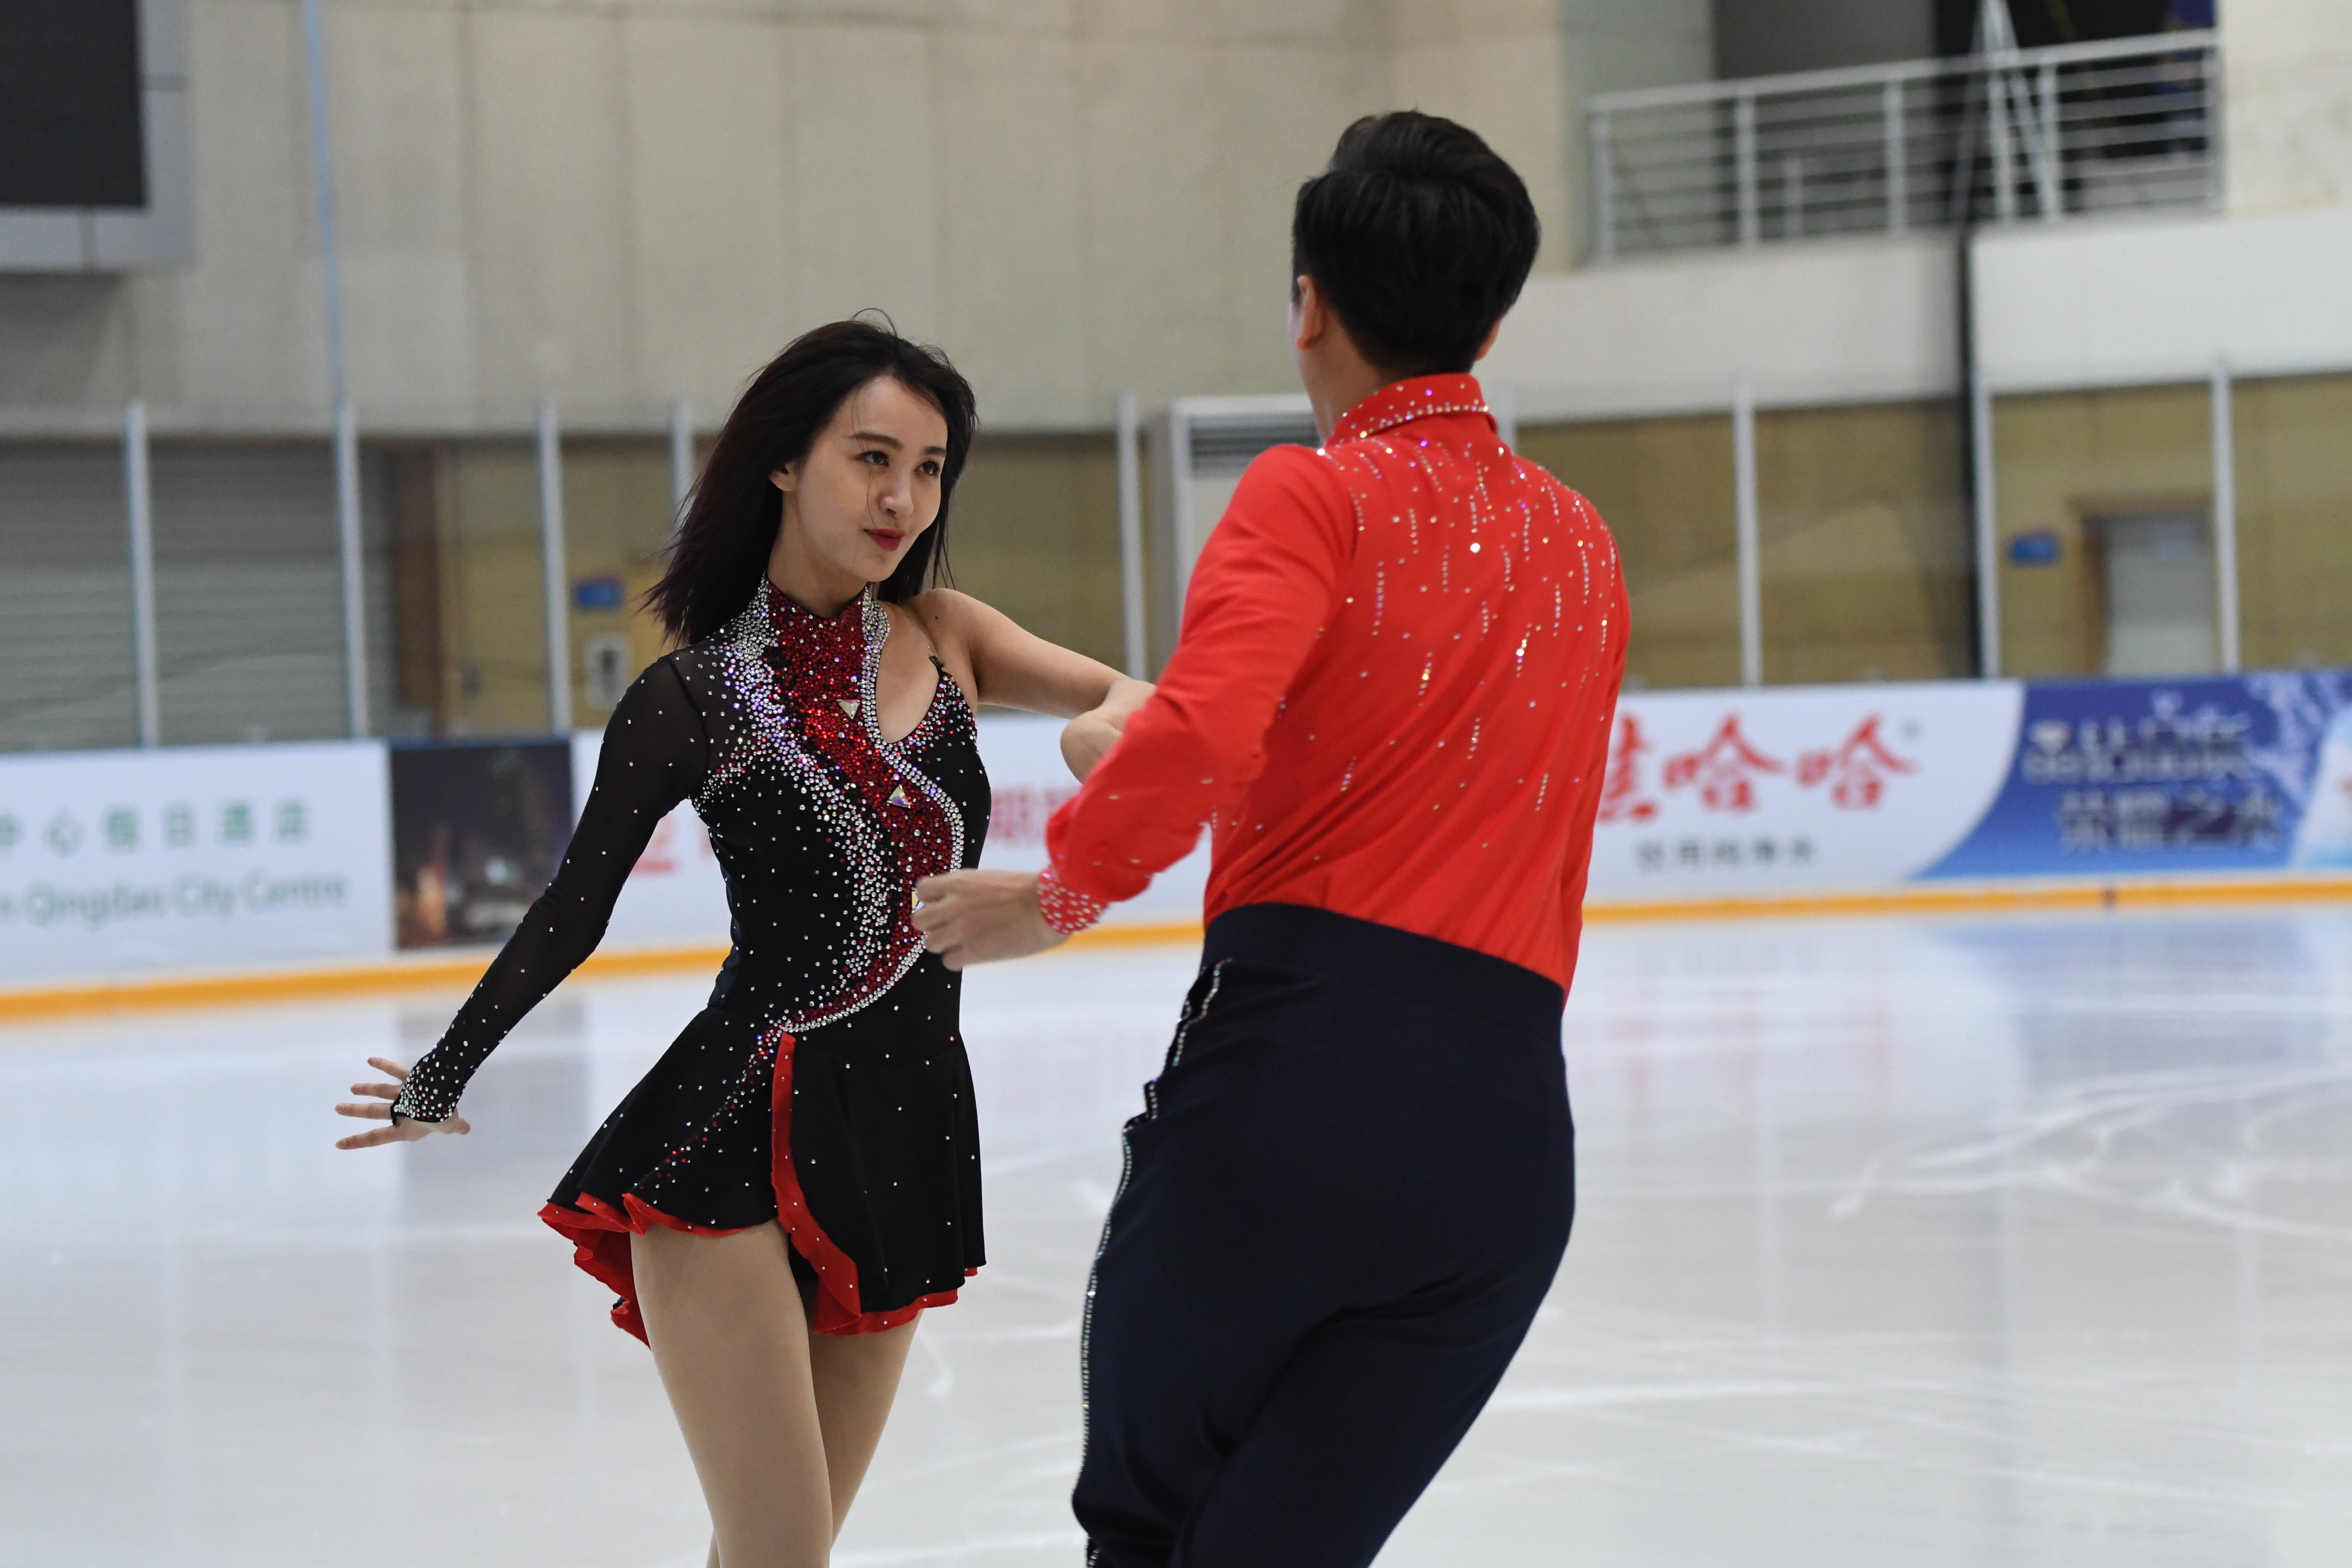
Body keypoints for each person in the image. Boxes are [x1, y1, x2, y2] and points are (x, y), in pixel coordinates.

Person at [912, 113, 1628, 1566]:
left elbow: (1203, 737)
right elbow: (1367, 755)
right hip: (1504, 1145)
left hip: (1294, 1093)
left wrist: (1055, 895)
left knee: (1152, 1533)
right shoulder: (1582, 544)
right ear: (1493, 322)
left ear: (1309, 305)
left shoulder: (1314, 494)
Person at [333, 318, 1151, 1568]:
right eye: (871, 458)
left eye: (929, 469)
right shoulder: (693, 697)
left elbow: (1147, 703)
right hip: (730, 1138)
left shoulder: (950, 633)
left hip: (906, 1133)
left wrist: (1111, 730)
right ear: (782, 460)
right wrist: (443, 1070)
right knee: (782, 1555)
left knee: (772, 1554)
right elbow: (573, 908)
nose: (902, 499)